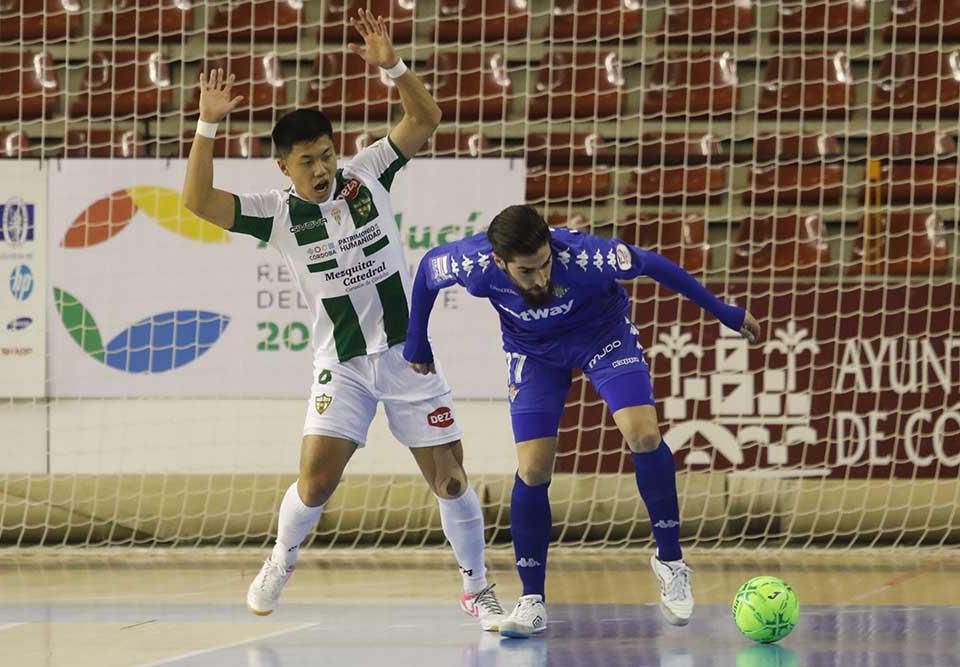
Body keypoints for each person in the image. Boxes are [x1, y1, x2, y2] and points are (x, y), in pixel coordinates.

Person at [180, 10, 505, 631]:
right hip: (344, 366)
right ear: (284, 168)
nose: (323, 169)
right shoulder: (274, 214)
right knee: (316, 479)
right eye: (307, 162)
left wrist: (395, 67)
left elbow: (426, 120)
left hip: (409, 355)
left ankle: (478, 588)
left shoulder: (368, 172)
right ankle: (281, 557)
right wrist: (206, 126)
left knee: (453, 479)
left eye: (326, 155)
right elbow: (196, 201)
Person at [404, 205, 762, 638]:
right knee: (533, 468)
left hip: (602, 337)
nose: (540, 279)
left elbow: (652, 264)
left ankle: (670, 562)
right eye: (526, 272)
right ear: (499, 263)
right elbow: (427, 270)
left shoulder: (584, 256)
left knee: (644, 433)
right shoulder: (473, 264)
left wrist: (722, 310)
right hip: (533, 352)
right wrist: (416, 339)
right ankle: (532, 599)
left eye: (544, 265)